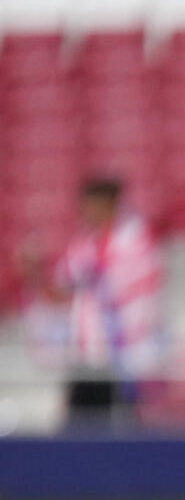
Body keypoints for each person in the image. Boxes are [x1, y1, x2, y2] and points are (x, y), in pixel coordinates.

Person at [24, 174, 165, 421]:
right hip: (88, 357)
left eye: (93, 205)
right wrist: (35, 275)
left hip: (125, 359)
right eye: (85, 206)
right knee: (78, 433)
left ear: (111, 203)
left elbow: (130, 291)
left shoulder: (135, 241)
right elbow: (61, 291)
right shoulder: (84, 245)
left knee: (125, 433)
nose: (87, 212)